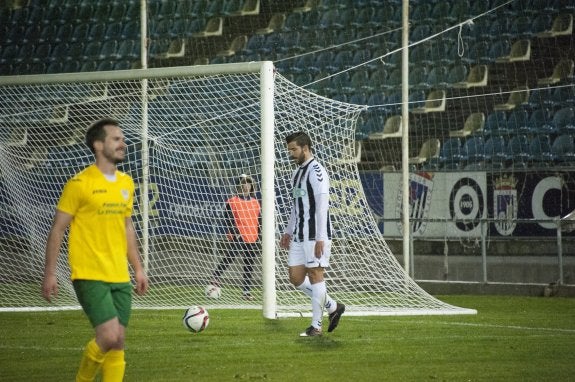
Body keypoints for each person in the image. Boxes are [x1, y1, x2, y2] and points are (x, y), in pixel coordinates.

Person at [41, 118, 149, 382]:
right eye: (116, 139)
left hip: (119, 275)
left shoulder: (126, 183)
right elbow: (57, 229)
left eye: (123, 139)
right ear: (99, 145)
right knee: (109, 336)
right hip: (88, 272)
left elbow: (127, 228)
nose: (123, 143)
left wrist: (138, 267)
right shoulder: (79, 184)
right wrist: (50, 273)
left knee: (118, 340)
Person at [280, 131, 345, 337]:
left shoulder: (317, 171)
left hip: (315, 235)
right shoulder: (296, 173)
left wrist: (320, 237)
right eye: (289, 150)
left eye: (294, 149)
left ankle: (315, 327)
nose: (291, 153)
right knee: (296, 278)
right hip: (299, 234)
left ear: (305, 148)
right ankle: (333, 306)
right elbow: (295, 205)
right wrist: (288, 231)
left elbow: (322, 206)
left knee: (316, 275)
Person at [211, 174, 261, 300]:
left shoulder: (255, 202)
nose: (246, 186)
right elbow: (228, 219)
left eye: (248, 183)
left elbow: (259, 220)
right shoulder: (232, 201)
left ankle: (246, 292)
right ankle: (215, 277)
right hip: (239, 235)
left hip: (252, 236)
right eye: (243, 183)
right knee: (230, 256)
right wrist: (234, 232)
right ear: (238, 186)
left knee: (249, 265)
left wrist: (259, 235)